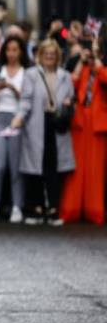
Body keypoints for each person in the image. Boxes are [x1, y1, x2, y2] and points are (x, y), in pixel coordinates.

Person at [13, 39, 75, 225]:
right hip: (36, 124)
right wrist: (19, 117)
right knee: (35, 167)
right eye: (46, 53)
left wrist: (68, 105)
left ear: (58, 57)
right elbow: (26, 100)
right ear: (40, 55)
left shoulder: (65, 76)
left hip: (57, 124)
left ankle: (54, 207)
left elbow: (71, 98)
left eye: (53, 54)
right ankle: (36, 207)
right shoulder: (31, 74)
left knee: (54, 168)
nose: (49, 57)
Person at [61, 38, 107, 224]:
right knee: (76, 170)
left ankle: (94, 211)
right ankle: (71, 209)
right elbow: (69, 86)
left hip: (98, 125)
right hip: (80, 123)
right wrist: (80, 62)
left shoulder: (101, 69)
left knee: (96, 171)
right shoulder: (84, 69)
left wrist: (97, 61)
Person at [0, 35, 29, 223]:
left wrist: (12, 87)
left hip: (16, 118)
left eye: (15, 50)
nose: (11, 54)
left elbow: (27, 99)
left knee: (15, 164)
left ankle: (17, 205)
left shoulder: (26, 73)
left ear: (20, 52)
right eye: (8, 50)